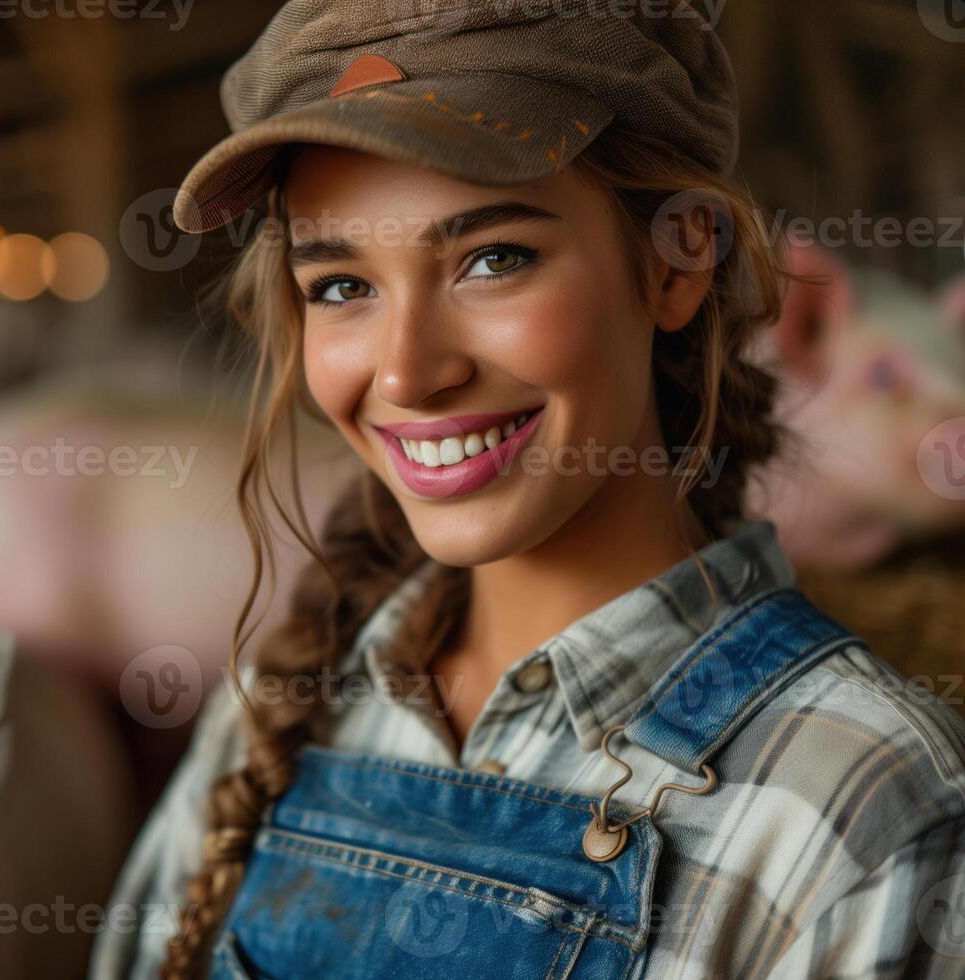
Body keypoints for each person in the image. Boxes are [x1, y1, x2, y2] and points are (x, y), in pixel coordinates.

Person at [91, 2, 965, 977]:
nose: (406, 373)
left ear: (678, 261)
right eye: (341, 285)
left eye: (492, 259)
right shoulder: (277, 708)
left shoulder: (866, 804)